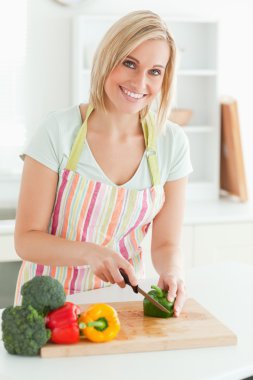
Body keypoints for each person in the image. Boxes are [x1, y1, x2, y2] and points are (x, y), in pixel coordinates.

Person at [14, 10, 193, 317]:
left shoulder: (172, 143)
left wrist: (173, 272)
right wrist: (89, 253)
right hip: (48, 310)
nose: (140, 81)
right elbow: (26, 240)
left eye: (154, 71)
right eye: (129, 63)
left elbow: (165, 245)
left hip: (119, 310)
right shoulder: (58, 131)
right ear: (107, 59)